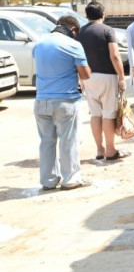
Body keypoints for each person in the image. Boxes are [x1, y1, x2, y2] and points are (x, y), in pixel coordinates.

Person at [32, 16, 92, 190]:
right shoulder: (73, 45)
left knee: (46, 142)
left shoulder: (39, 43)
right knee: (68, 141)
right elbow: (85, 74)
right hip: (65, 101)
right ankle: (71, 179)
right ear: (73, 29)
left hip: (41, 100)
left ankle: (48, 181)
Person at [78, 2, 130, 161]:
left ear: (87, 15)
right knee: (108, 114)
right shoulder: (107, 30)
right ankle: (110, 150)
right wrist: (121, 77)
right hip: (107, 76)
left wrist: (80, 79)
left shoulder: (80, 32)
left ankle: (100, 150)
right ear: (103, 14)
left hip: (88, 77)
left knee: (95, 114)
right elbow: (115, 56)